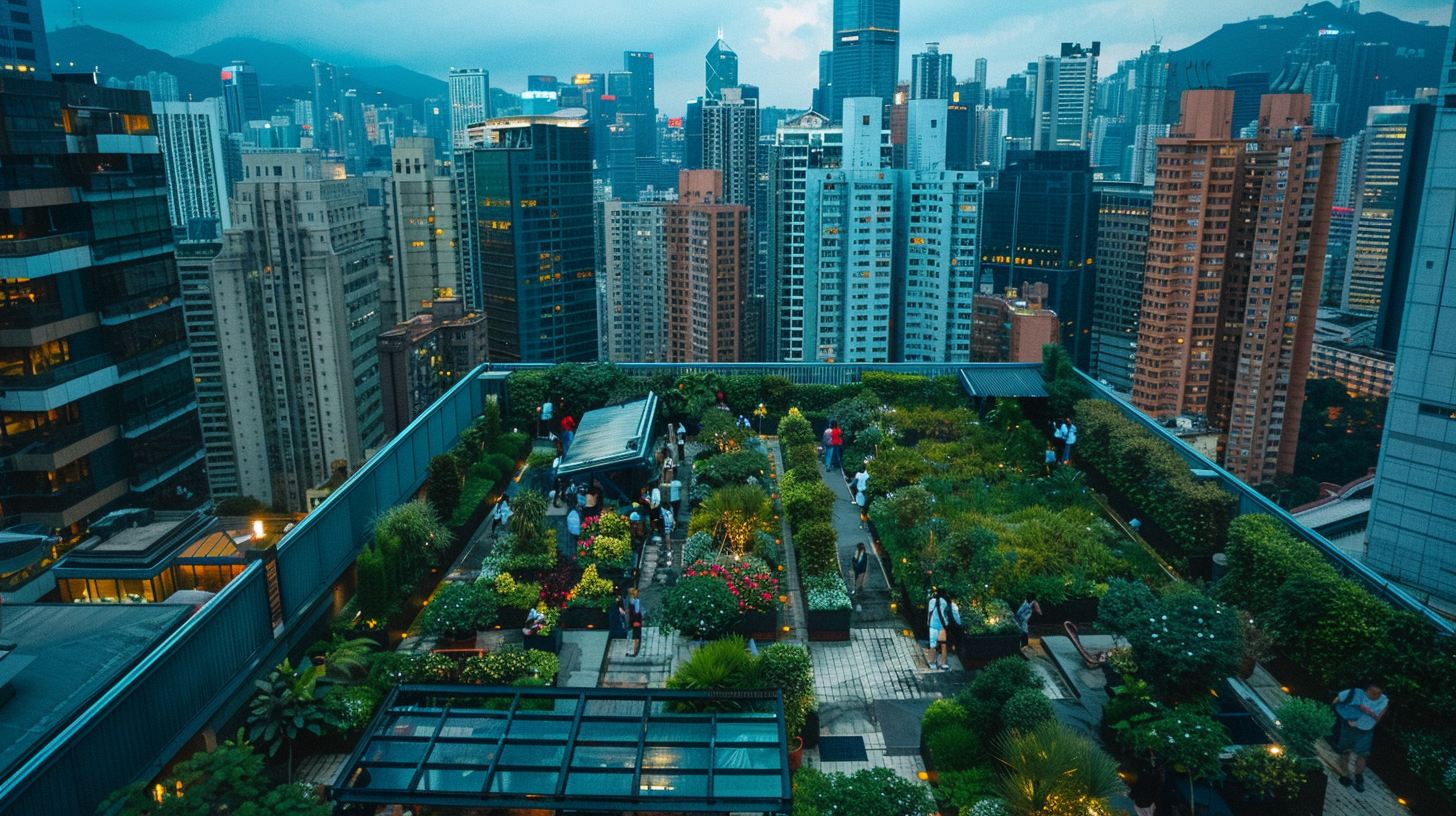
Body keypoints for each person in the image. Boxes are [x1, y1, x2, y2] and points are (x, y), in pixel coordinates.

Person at [1334, 683, 1389, 792]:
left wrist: (1367, 712)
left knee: (1362, 754)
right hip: (1349, 725)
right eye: (1372, 692)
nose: (1374, 695)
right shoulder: (1357, 693)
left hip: (1366, 728)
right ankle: (1345, 775)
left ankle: (1358, 777)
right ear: (1367, 690)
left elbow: (1378, 718)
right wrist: (1346, 716)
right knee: (1345, 751)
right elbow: (1337, 700)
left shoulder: (1383, 701)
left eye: (1377, 694)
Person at [925, 587, 961, 671]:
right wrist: (959, 625)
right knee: (943, 644)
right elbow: (955, 616)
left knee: (933, 643)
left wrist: (928, 623)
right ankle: (942, 663)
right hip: (943, 625)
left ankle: (931, 662)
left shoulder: (933, 601)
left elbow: (929, 613)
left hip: (933, 625)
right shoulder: (950, 603)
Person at [625, 587, 643, 656]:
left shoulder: (629, 601)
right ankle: (635, 651)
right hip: (636, 621)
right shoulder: (635, 601)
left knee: (634, 636)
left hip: (633, 621)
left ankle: (634, 650)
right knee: (636, 636)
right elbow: (637, 611)